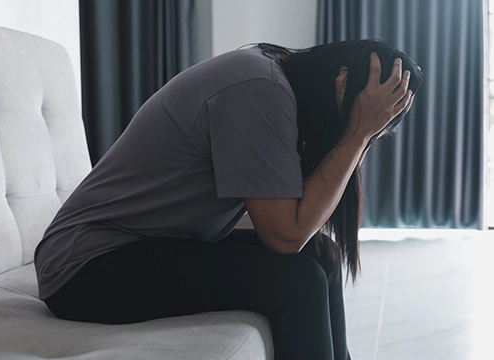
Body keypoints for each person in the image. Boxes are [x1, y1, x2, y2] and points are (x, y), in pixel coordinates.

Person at [34, 39, 422, 360]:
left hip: (142, 246)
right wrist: (357, 134)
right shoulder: (259, 89)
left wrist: (360, 131)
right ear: (342, 81)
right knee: (298, 282)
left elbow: (301, 226)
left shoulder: (274, 85)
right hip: (86, 266)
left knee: (324, 255)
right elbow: (286, 235)